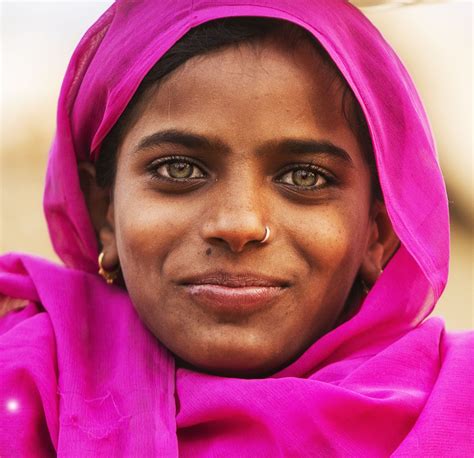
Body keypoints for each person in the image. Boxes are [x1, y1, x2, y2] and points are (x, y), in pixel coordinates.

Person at [0, 0, 472, 455]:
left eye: (304, 177)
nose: (238, 225)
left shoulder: (457, 404)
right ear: (103, 209)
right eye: (179, 170)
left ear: (379, 231)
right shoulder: (26, 382)